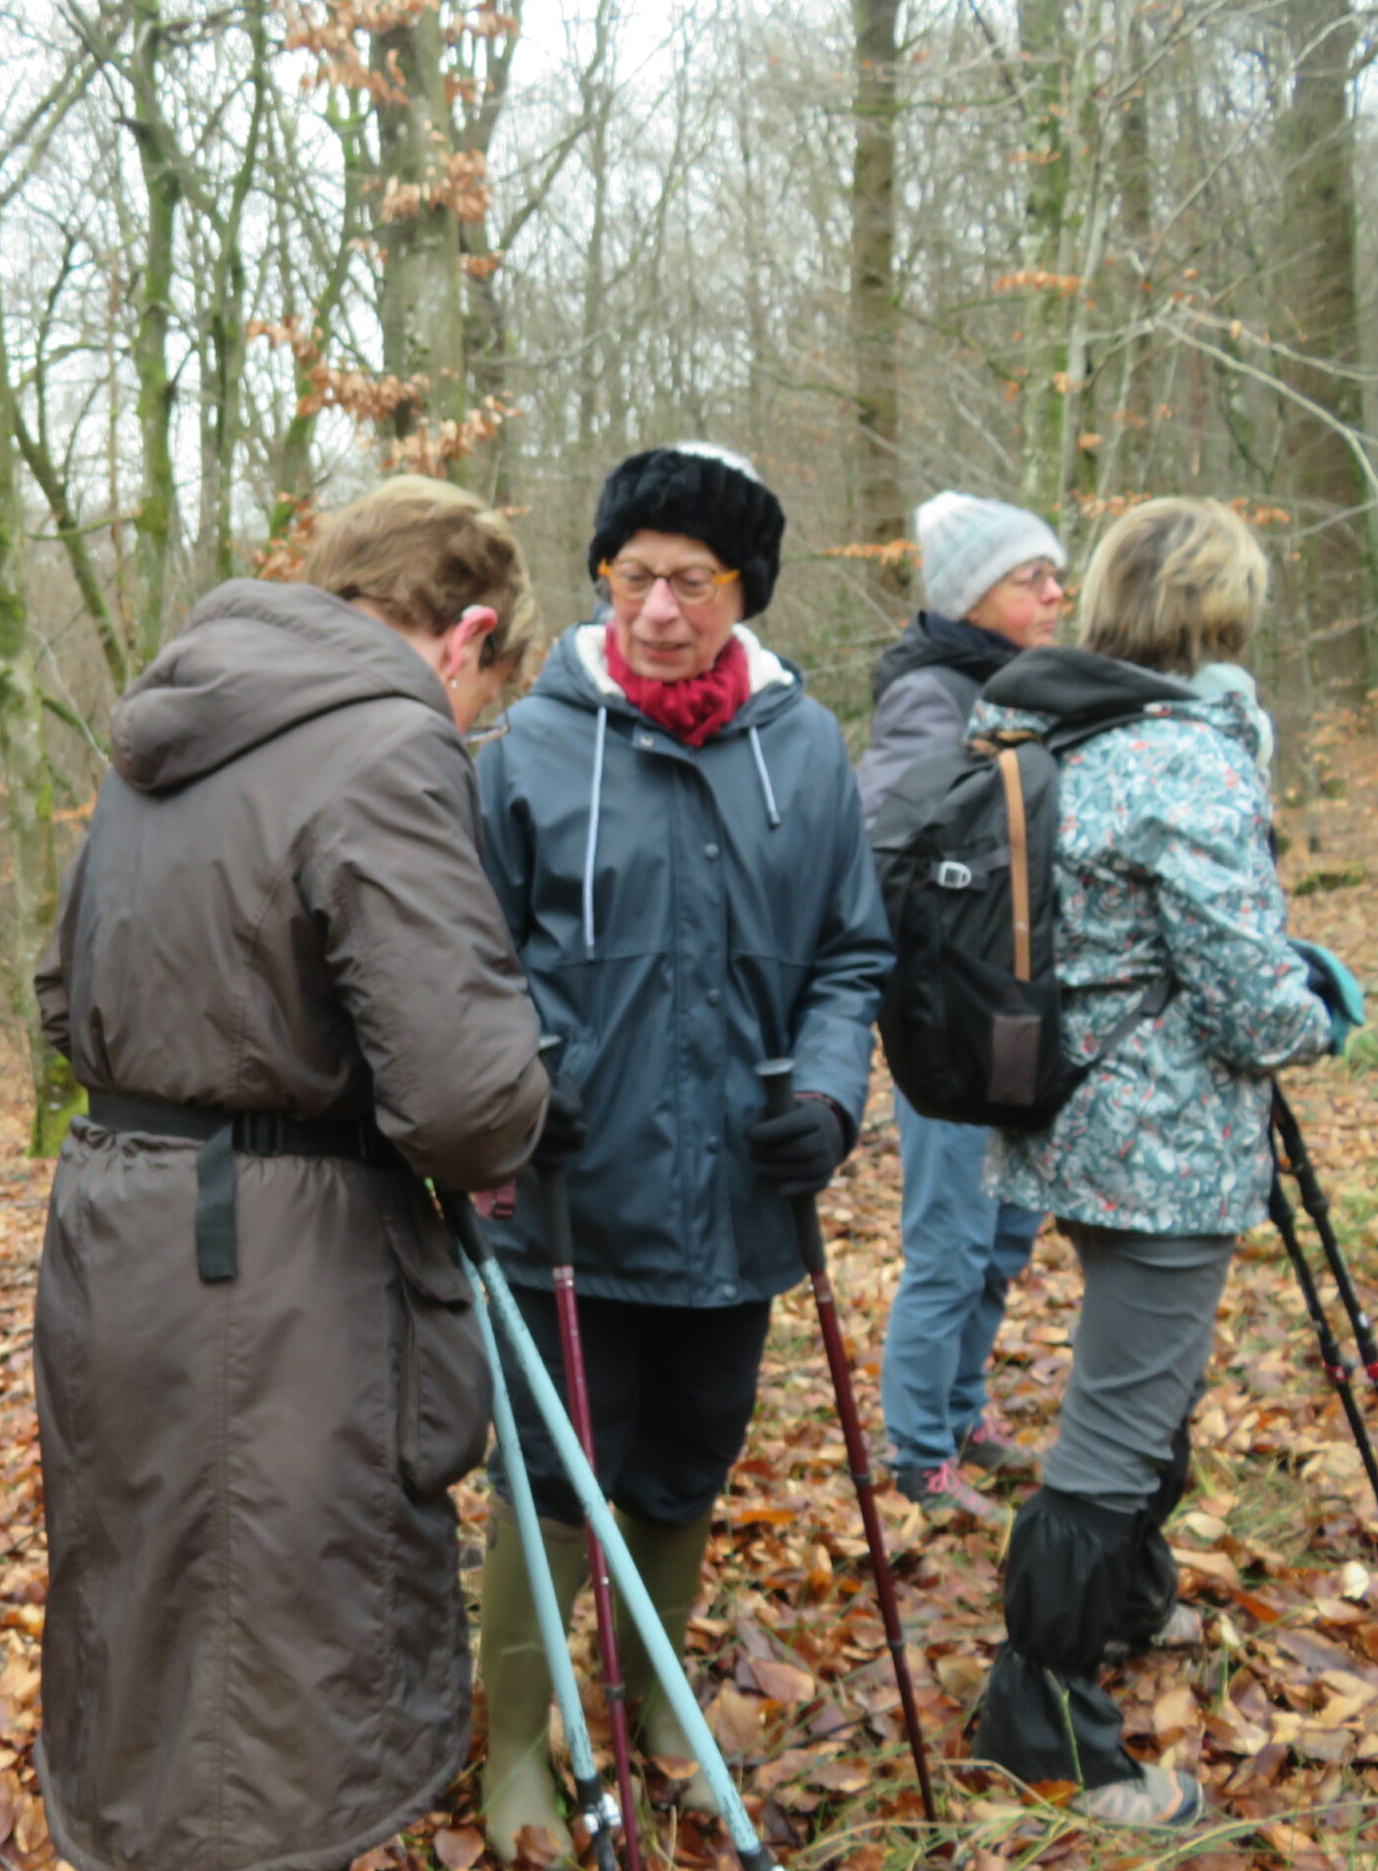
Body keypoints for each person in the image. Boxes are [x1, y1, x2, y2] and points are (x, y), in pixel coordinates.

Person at [31, 476, 560, 1871]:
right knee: (275, 1638)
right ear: (470, 634)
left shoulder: (166, 728)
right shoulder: (385, 739)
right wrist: (526, 1087)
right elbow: (464, 1098)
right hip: (277, 1269)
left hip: (115, 1225)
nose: (473, 721)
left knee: (149, 1591)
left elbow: (60, 992)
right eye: (487, 692)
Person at [471, 445, 893, 1856]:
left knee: (689, 1457)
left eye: (692, 581)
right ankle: (514, 1748)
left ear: (743, 591)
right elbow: (471, 955)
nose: (658, 609)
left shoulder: (806, 749)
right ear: (604, 577)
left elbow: (850, 956)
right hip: (568, 1197)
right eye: (633, 575)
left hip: (742, 1199)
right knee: (551, 1472)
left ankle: (656, 1697)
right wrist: (519, 1078)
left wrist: (827, 1098)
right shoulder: (526, 749)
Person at [967, 498, 1346, 1827]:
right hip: (1165, 1149)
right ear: (1217, 616)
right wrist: (1316, 1010)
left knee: (1146, 1388)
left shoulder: (1043, 730)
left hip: (1067, 1121)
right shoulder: (1185, 759)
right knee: (1120, 1425)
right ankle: (1043, 1719)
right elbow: (1249, 1003)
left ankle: (1124, 1602)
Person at [856, 491, 1070, 1521]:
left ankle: (962, 1407)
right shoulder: (930, 695)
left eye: (1056, 575)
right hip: (952, 1023)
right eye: (1033, 578)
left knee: (1006, 1234)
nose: (1056, 593)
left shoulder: (1027, 687)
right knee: (949, 1241)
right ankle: (918, 1450)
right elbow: (889, 844)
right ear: (971, 595)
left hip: (1020, 1009)